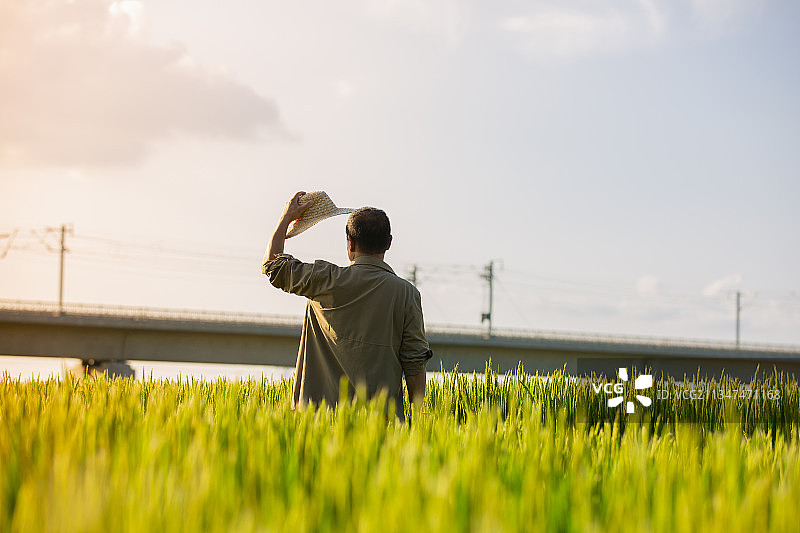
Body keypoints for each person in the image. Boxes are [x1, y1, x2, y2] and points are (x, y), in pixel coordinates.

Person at [262, 191, 432, 422]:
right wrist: (418, 421)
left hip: (320, 423)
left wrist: (285, 219)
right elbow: (414, 363)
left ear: (350, 242)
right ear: (389, 243)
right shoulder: (406, 294)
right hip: (381, 426)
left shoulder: (324, 280)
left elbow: (273, 265)